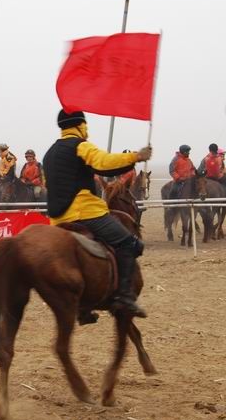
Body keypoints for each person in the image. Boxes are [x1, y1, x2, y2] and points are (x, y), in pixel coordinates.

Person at [43, 110, 152, 319]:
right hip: (85, 212)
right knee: (129, 243)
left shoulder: (49, 154)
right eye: (86, 125)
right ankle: (125, 297)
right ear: (80, 125)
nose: (87, 130)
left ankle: (82, 307)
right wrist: (136, 156)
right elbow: (104, 163)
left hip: (57, 219)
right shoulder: (80, 145)